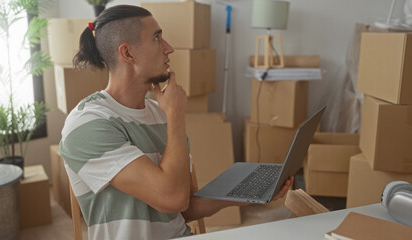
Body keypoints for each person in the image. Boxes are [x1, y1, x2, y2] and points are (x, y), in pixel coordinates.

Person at [59, 5, 293, 240]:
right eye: (157, 38)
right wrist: (175, 115)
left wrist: (252, 192)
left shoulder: (160, 113)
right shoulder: (87, 124)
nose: (169, 48)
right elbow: (172, 198)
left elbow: (185, 205)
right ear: (127, 54)